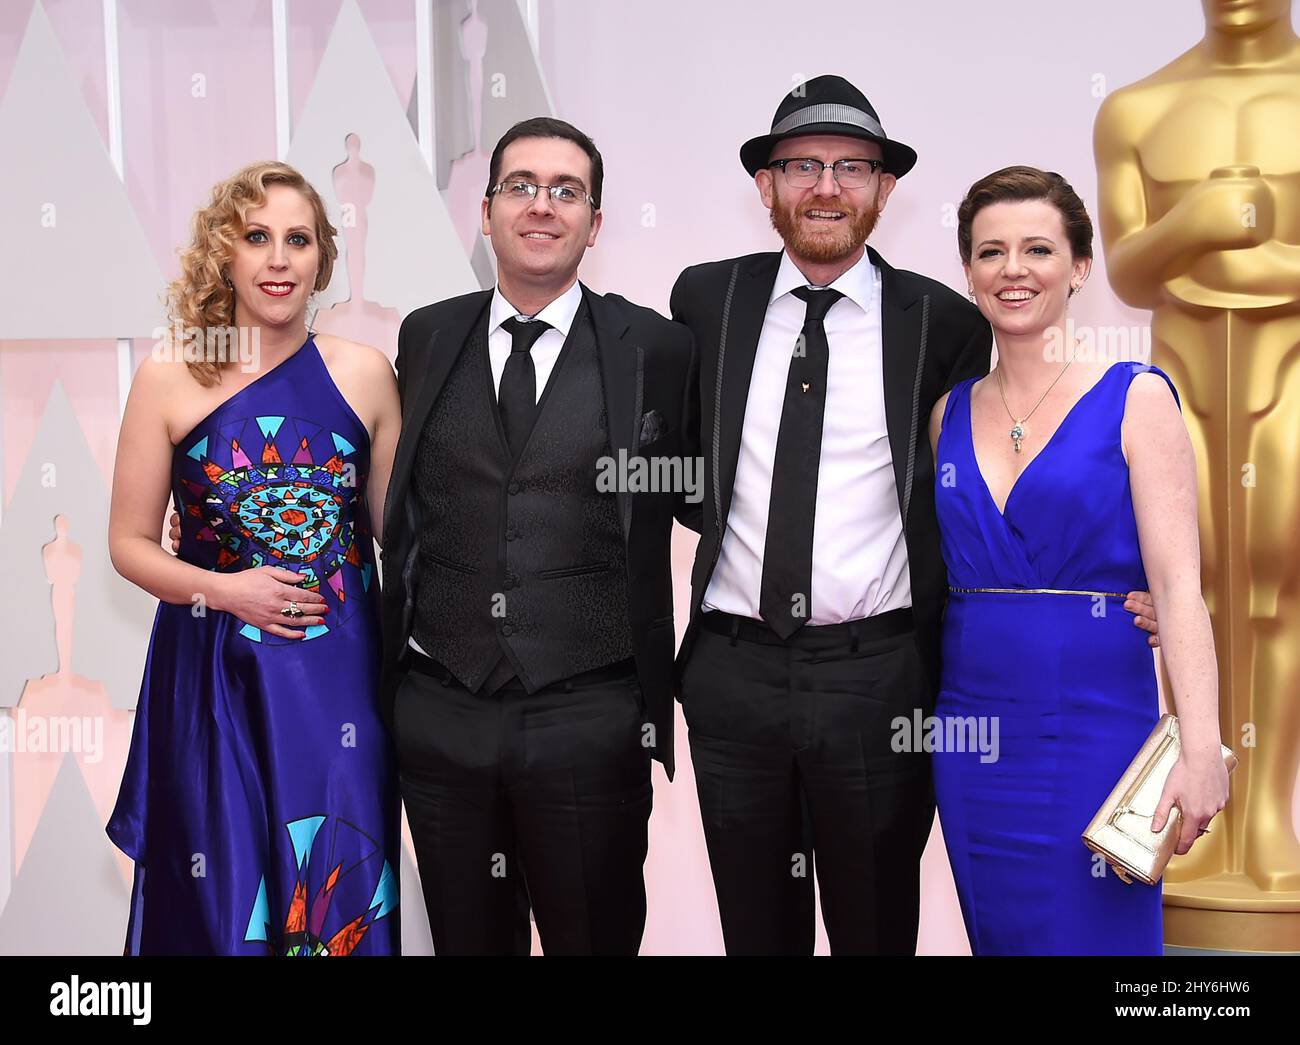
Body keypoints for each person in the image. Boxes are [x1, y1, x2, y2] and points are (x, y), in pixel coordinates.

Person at [669, 76, 1161, 955]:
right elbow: (672, 464)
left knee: (877, 930)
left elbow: (1017, 466)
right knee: (754, 931)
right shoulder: (706, 301)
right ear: (766, 187)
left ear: (886, 190)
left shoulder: (940, 321)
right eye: (802, 166)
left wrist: (1139, 583)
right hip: (732, 678)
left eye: (853, 167)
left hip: (879, 681)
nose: (827, 186)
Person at [380, 118, 697, 955]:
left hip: (590, 713)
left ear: (595, 223)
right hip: (443, 706)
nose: (542, 206)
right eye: (521, 186)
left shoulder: (655, 349)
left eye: (567, 191)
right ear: (485, 214)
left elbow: (710, 486)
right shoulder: (426, 334)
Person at [928, 165, 1229, 955]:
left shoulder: (1138, 397)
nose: (1013, 269)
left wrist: (1203, 748)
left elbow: (1179, 588)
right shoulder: (945, 414)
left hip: (1099, 728)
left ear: (1080, 268)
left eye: (1038, 248)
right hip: (972, 740)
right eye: (991, 252)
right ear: (968, 273)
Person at [108, 161, 402, 955]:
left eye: (298, 239)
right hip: (212, 679)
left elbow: (395, 534)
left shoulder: (367, 374)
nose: (278, 258)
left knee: (336, 888)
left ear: (321, 260)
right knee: (221, 899)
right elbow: (128, 544)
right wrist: (224, 589)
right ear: (224, 255)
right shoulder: (168, 375)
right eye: (257, 237)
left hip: (340, 686)